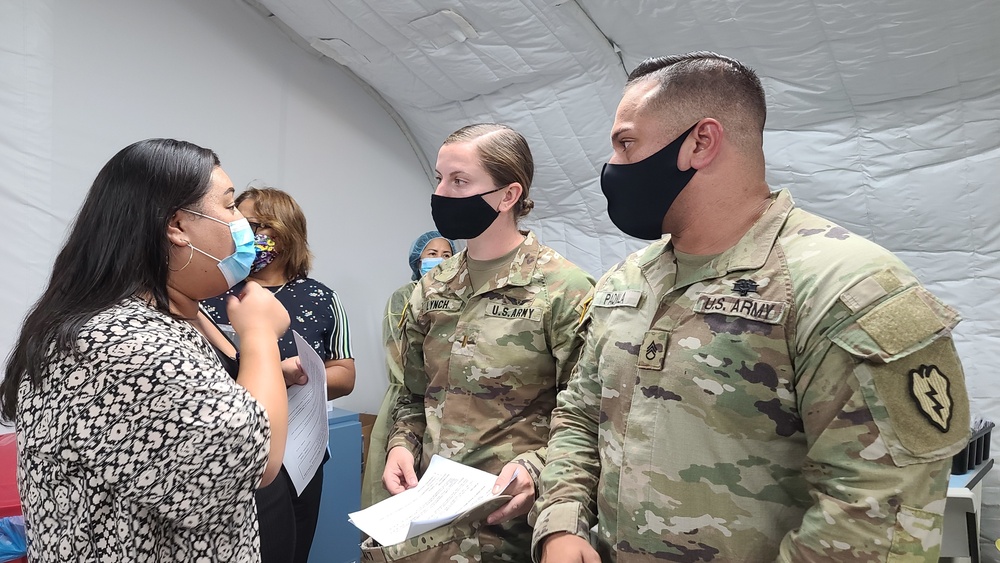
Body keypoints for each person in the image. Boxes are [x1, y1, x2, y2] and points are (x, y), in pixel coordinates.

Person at [529, 52, 972, 563]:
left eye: (626, 143)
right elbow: (582, 416)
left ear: (700, 142)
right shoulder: (628, 280)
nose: (614, 166)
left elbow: (877, 517)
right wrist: (562, 524)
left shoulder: (845, 288)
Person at [0, 139, 290, 561]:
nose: (241, 225)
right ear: (176, 226)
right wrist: (262, 335)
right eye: (230, 207)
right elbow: (255, 458)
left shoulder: (163, 316)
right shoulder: (121, 342)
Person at [380, 123, 595, 561]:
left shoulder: (562, 288)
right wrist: (402, 443)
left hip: (509, 527)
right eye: (439, 178)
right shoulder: (433, 288)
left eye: (459, 181)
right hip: (430, 525)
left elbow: (589, 415)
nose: (442, 192)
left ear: (508, 195)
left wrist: (535, 470)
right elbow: (413, 393)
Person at [201, 186, 355, 563]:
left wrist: (301, 374)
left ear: (285, 233)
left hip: (300, 453)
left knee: (292, 549)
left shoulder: (320, 297)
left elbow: (345, 375)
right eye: (238, 223)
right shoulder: (210, 295)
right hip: (230, 450)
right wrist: (269, 370)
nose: (244, 234)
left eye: (254, 225)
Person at [361, 230, 455, 508]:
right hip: (409, 398)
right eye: (432, 254)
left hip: (448, 405)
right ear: (417, 260)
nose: (440, 260)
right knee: (396, 485)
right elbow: (399, 355)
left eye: (447, 255)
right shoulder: (403, 298)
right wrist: (431, 388)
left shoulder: (459, 297)